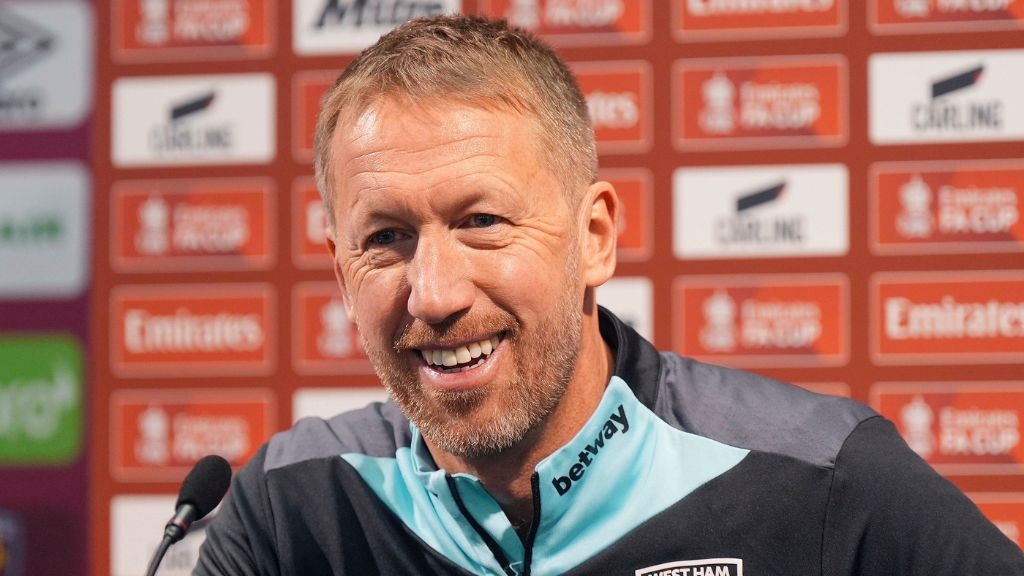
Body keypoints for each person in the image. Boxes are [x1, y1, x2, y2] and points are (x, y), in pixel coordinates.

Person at [195, 15, 1024, 576]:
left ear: (594, 239)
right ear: (342, 273)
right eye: (386, 239)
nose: (435, 294)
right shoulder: (290, 505)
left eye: (482, 221)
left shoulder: (816, 475)